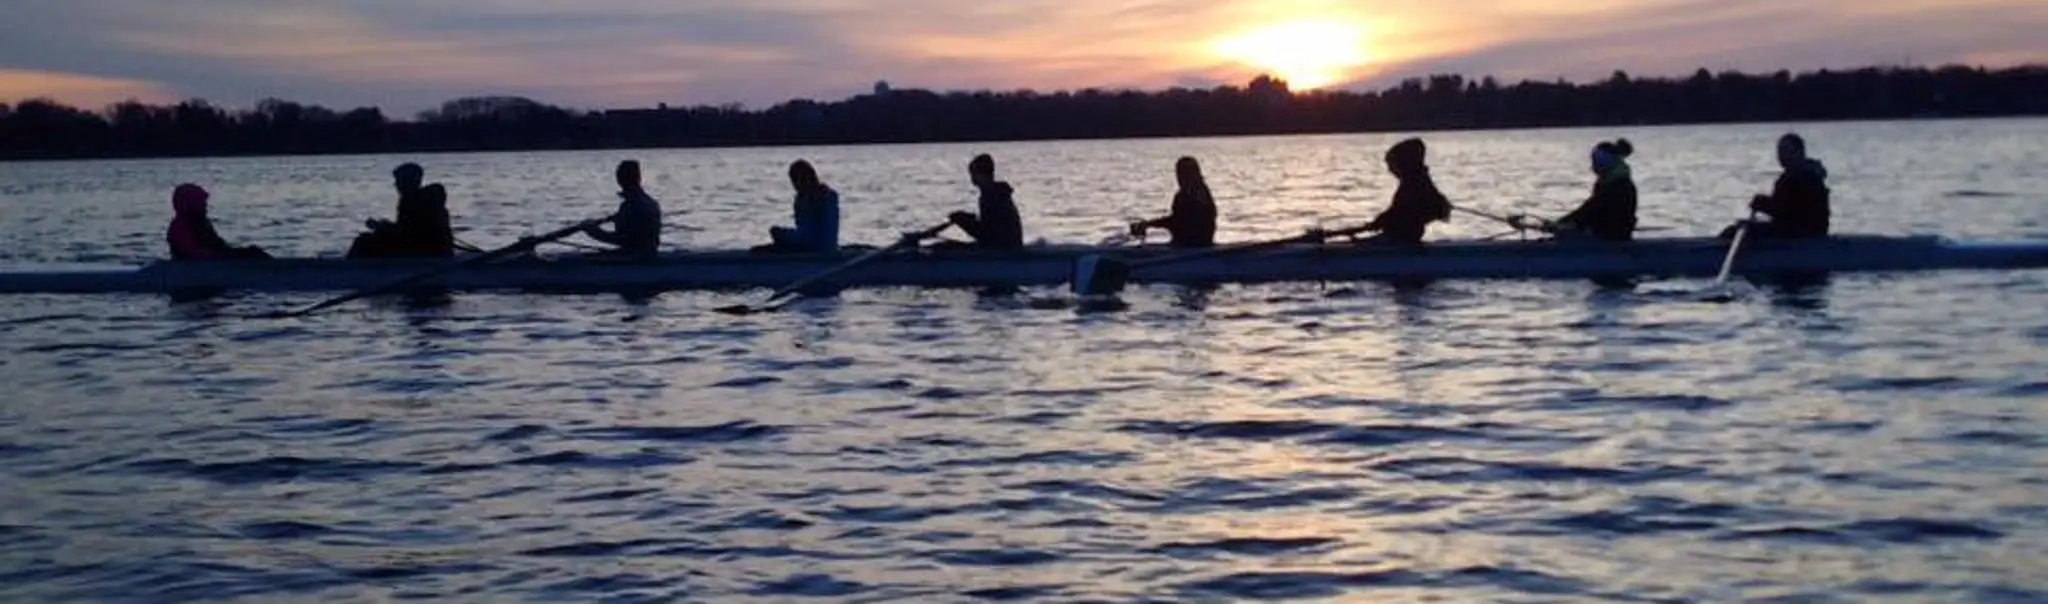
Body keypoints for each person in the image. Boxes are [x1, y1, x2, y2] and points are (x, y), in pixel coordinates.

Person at [1722, 133, 1829, 240]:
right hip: (1797, 230)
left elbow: (1783, 209)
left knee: (1733, 231)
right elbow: (1783, 207)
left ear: (1799, 152)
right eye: (1780, 152)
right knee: (1740, 227)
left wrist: (1761, 203)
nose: (1782, 156)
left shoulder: (1801, 176)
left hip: (1800, 233)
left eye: (1787, 151)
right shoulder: (1800, 174)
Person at [1537, 138, 1638, 242]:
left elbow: (1590, 211)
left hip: (1610, 239)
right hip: (1606, 234)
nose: (1592, 166)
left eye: (1595, 161)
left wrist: (1561, 223)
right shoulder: (1611, 182)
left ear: (1605, 161)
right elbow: (1588, 209)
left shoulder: (1618, 186)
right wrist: (1561, 223)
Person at [1356, 138, 1451, 245]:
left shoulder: (1415, 185)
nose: (1390, 170)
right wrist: (1380, 221)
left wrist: (1382, 221)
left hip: (1403, 238)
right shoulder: (1415, 182)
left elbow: (1403, 212)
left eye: (1392, 165)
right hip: (1400, 236)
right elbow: (1397, 210)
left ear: (1403, 164)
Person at [348, 163, 454, 258]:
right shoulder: (417, 199)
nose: (396, 185)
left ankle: (352, 269)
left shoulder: (416, 201)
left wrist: (382, 228)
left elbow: (410, 233)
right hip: (428, 246)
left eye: (398, 181)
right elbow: (406, 229)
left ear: (408, 181)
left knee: (362, 241)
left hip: (425, 249)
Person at [939, 154, 1024, 250]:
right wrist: (967, 220)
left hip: (1001, 251)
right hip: (1000, 247)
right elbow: (989, 229)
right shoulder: (995, 193)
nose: (972, 178)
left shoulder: (992, 197)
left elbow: (986, 234)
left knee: (944, 247)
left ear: (984, 174)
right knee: (946, 246)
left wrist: (964, 221)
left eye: (974, 173)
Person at [755, 160, 841, 254]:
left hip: (815, 245)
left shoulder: (815, 197)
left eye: (795, 180)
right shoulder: (826, 195)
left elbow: (809, 234)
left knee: (775, 231)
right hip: (823, 245)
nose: (794, 185)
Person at [166, 183, 270, 260]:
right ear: (188, 203)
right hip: (196, 267)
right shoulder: (180, 227)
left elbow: (219, 246)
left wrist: (238, 253)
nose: (205, 204)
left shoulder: (202, 223)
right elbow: (195, 254)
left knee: (253, 251)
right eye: (200, 201)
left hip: (213, 261)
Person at [1130, 156, 1217, 248]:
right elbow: (1175, 220)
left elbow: (1179, 222)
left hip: (1193, 248)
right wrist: (1147, 224)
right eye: (1179, 174)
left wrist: (1149, 224)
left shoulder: (1200, 196)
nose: (1180, 178)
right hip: (1181, 246)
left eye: (1185, 174)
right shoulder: (1182, 195)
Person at [583, 160, 663, 258]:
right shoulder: (652, 203)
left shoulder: (631, 206)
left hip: (635, 258)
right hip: (649, 253)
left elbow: (624, 240)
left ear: (619, 180)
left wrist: (594, 232)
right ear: (639, 178)